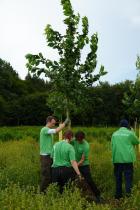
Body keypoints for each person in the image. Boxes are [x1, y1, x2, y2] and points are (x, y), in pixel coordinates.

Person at [111, 119, 139, 199]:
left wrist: (113, 159)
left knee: (118, 178)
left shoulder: (114, 134)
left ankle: (118, 196)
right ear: (127, 126)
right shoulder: (130, 133)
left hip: (116, 159)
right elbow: (136, 142)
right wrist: (133, 132)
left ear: (120, 126)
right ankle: (128, 197)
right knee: (128, 178)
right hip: (128, 160)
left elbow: (112, 146)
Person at [71, 131, 102, 203]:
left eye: (80, 139)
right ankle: (70, 195)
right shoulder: (74, 141)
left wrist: (75, 166)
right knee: (70, 179)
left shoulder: (86, 145)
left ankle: (98, 196)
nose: (78, 141)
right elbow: (67, 142)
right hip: (74, 163)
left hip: (84, 165)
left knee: (89, 180)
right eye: (77, 139)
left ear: (83, 138)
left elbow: (82, 160)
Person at [40, 116, 69, 192]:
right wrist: (65, 123)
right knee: (46, 176)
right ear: (48, 122)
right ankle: (42, 193)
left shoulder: (49, 131)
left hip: (50, 156)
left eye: (54, 123)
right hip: (45, 157)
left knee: (50, 175)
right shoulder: (44, 129)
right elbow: (56, 131)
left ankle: (49, 192)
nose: (54, 125)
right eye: (53, 123)